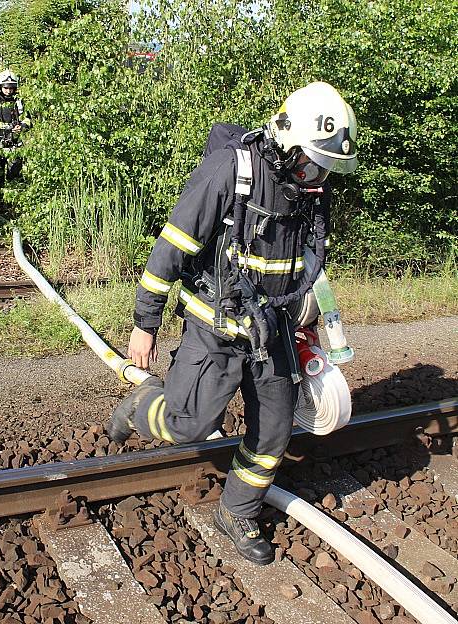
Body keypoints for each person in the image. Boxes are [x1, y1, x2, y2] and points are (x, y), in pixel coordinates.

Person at [107, 82, 358, 565]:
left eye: (327, 166)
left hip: (274, 330)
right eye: (313, 162)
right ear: (286, 141)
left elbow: (308, 263)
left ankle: (237, 511)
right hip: (215, 326)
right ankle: (141, 404)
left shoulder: (309, 191)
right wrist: (145, 323)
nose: (319, 175)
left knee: (275, 432)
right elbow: (172, 246)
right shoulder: (232, 171)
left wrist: (315, 317)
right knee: (189, 426)